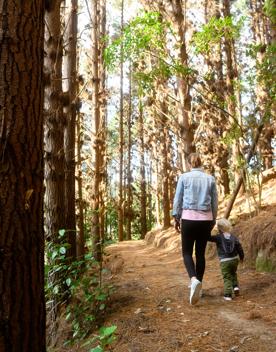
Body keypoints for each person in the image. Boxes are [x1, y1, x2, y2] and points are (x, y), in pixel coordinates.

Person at [173, 153, 218, 305]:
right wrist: (213, 219)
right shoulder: (210, 179)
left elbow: (178, 198)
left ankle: (193, 280)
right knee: (200, 254)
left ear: (189, 164)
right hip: (205, 220)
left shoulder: (184, 177)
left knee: (186, 252)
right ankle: (199, 285)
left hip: (188, 219)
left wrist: (176, 217)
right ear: (200, 163)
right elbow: (215, 203)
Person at [208, 218, 244, 301]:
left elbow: (208, 238)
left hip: (225, 261)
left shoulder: (218, 237)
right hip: (235, 259)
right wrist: (241, 257)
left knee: (227, 277)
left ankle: (228, 294)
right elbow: (239, 248)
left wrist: (208, 228)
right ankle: (235, 287)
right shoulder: (233, 237)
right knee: (233, 273)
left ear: (219, 228)